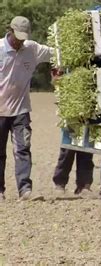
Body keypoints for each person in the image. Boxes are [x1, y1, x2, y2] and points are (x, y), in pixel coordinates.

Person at [0, 16, 54, 202]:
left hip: (21, 110)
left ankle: (25, 190)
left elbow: (57, 53)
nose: (19, 41)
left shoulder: (32, 49)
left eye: (23, 37)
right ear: (10, 30)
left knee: (23, 149)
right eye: (17, 37)